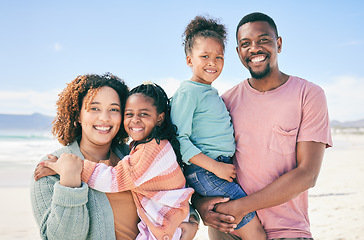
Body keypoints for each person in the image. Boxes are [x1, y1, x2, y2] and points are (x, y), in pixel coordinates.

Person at [193, 12, 333, 240]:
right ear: (239, 53)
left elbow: (307, 174)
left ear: (278, 43)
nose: (254, 48)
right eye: (245, 44)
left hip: (287, 230)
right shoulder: (225, 102)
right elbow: (201, 160)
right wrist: (200, 204)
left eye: (263, 40)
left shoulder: (308, 95)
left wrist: (240, 207)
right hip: (229, 229)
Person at [31, 74, 198, 240]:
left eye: (114, 109)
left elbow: (167, 192)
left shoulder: (132, 154)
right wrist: (69, 179)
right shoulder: (50, 168)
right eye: (94, 108)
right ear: (78, 115)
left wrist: (192, 220)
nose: (104, 118)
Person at [170, 16, 266, 239]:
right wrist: (216, 168)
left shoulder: (209, 92)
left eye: (218, 57)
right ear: (189, 60)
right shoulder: (188, 92)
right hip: (207, 172)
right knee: (256, 234)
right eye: (204, 56)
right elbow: (179, 140)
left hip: (216, 170)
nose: (212, 62)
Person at [77, 82, 195, 240]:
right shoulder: (150, 145)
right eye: (129, 114)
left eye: (144, 114)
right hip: (166, 223)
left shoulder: (152, 150)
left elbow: (114, 179)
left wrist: (72, 167)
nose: (135, 120)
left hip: (166, 226)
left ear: (159, 118)